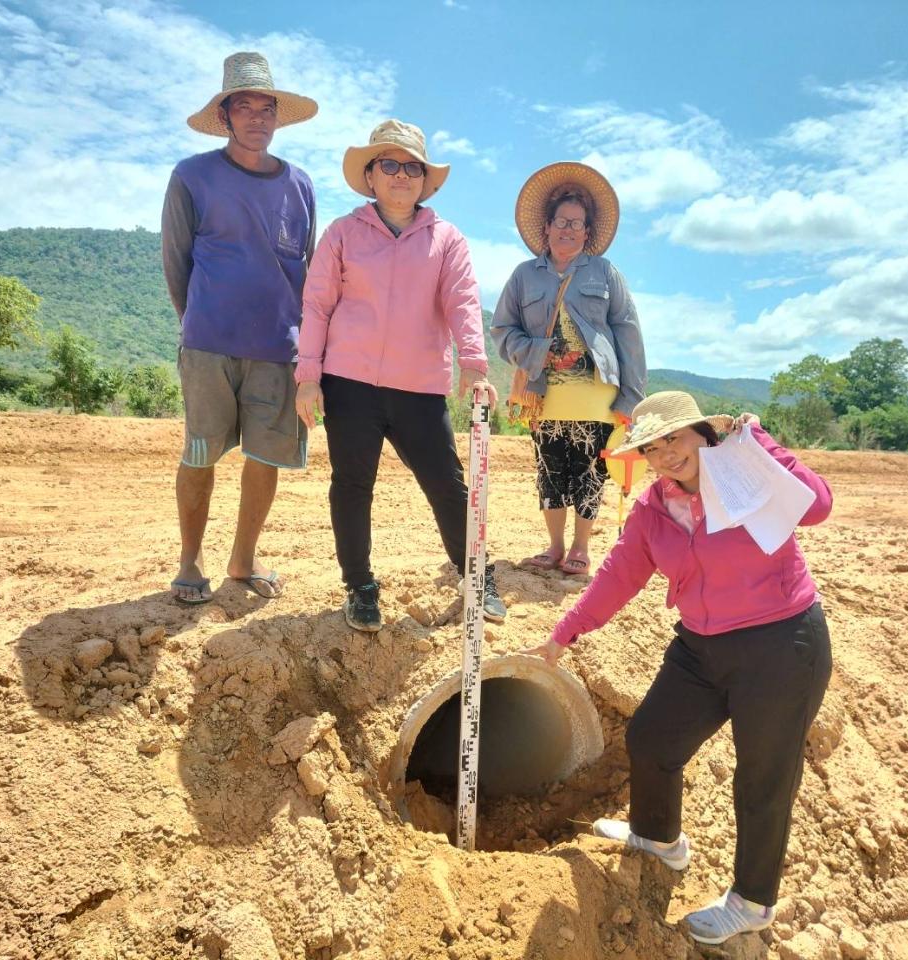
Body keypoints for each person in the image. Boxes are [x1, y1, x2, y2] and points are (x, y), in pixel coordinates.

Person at [526, 391, 833, 945]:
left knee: (762, 779)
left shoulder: (745, 472)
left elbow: (817, 506)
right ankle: (659, 838)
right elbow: (618, 576)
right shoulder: (653, 508)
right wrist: (563, 633)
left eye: (674, 439)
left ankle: (752, 902)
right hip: (701, 645)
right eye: (651, 447)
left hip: (781, 644)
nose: (665, 455)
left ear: (703, 434)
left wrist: (762, 445)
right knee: (651, 740)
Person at [294, 120, 505, 632]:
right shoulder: (343, 233)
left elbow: (462, 301)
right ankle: (361, 587)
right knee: (351, 484)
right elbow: (318, 304)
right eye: (389, 164)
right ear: (370, 176)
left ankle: (476, 576)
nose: (401, 175)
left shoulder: (446, 238)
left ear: (424, 179)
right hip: (349, 382)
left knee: (447, 484)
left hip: (420, 386)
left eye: (412, 167)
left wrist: (475, 364)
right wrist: (308, 375)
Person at [161, 52, 318, 606]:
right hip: (208, 346)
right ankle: (189, 561)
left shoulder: (300, 186)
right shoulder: (192, 176)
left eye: (266, 107)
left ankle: (243, 559)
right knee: (200, 453)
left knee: (266, 456)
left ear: (278, 117)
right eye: (243, 106)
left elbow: (308, 270)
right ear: (225, 116)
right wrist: (200, 322)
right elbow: (176, 262)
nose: (257, 117)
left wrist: (308, 350)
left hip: (279, 349)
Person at [492, 162, 645, 577]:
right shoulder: (524, 276)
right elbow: (502, 329)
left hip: (599, 397)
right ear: (547, 226)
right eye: (561, 221)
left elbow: (628, 334)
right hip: (542, 396)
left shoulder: (607, 274)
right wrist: (538, 350)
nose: (568, 230)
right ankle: (555, 546)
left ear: (587, 231)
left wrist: (632, 398)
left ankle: (580, 547)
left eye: (577, 224)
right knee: (550, 472)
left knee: (590, 474)